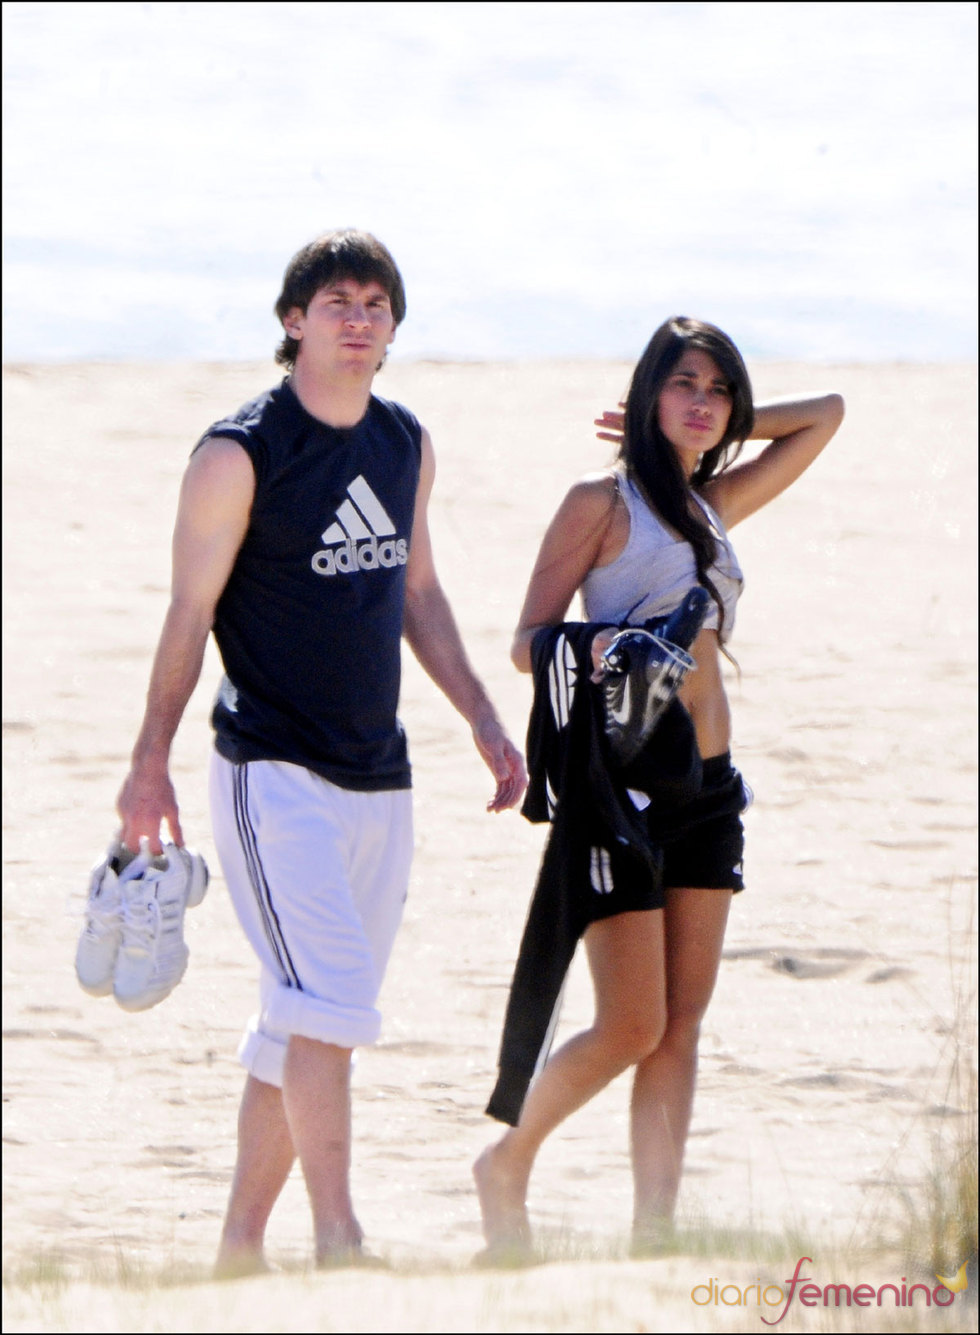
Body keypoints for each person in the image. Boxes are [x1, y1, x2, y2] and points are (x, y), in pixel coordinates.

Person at [113, 228, 527, 1274]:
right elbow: (187, 612)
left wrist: (479, 717)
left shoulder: (402, 443)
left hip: (378, 777)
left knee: (303, 1018)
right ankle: (338, 1236)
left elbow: (417, 593)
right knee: (330, 997)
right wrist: (147, 762)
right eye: (336, 301)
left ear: (393, 328)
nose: (358, 318)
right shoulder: (238, 453)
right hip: (270, 774)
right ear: (292, 321)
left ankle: (238, 1250)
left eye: (376, 304)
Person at [473, 315, 844, 1254]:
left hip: (711, 792)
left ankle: (656, 1233)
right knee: (631, 1024)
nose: (702, 401)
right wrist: (603, 644)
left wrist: (723, 427)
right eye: (682, 384)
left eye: (717, 389)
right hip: (623, 785)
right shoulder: (601, 504)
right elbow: (526, 642)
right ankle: (506, 1163)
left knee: (681, 1024)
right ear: (646, 393)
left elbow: (829, 415)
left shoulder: (711, 503)